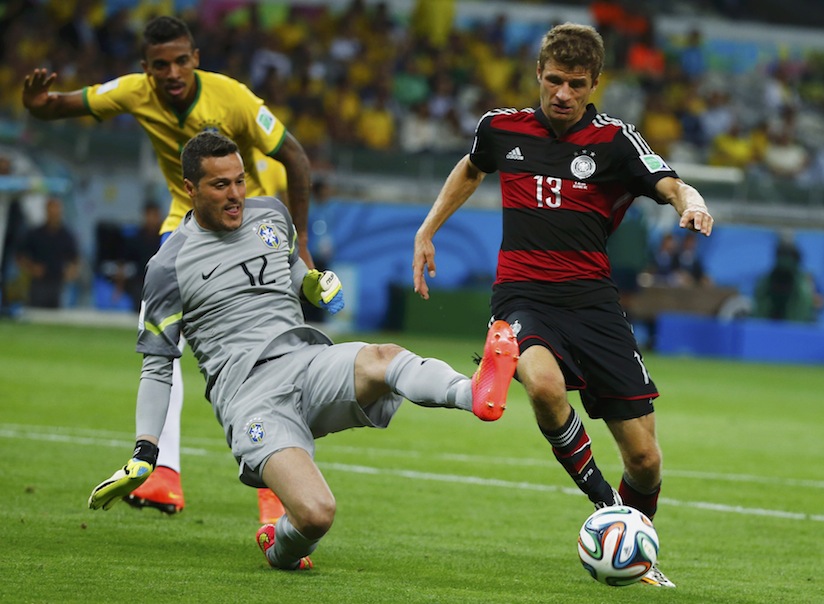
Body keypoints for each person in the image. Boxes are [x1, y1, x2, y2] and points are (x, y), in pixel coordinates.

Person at [87, 131, 519, 571]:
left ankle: (475, 393)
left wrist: (314, 283)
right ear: (189, 189)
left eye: (240, 181)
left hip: (306, 362)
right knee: (316, 514)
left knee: (383, 357)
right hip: (250, 399)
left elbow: (293, 270)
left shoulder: (271, 215)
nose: (235, 195)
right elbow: (158, 368)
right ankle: (280, 545)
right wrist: (145, 452)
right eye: (220, 186)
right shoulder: (166, 268)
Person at [412, 23, 715, 589]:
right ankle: (607, 510)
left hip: (594, 304)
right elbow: (472, 168)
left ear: (595, 83)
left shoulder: (615, 141)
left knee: (646, 460)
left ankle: (630, 542)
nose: (563, 94)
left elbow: (671, 183)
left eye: (576, 84)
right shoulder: (501, 128)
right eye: (554, 81)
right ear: (538, 75)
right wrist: (427, 230)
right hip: (523, 297)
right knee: (546, 387)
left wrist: (691, 202)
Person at [22, 15, 314, 522]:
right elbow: (62, 105)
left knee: (271, 348)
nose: (173, 72)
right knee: (159, 340)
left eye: (181, 60)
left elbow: (296, 157)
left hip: (251, 212)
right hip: (189, 219)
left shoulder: (233, 98)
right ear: (146, 69)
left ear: (196, 58)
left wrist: (301, 243)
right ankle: (164, 474)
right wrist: (39, 106)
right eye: (161, 65)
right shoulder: (135, 92)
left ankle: (278, 489)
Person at [16, 196, 80, 309]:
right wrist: (31, 268)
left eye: (56, 211)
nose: (54, 214)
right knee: (35, 313)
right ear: (46, 211)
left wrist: (70, 272)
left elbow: (75, 259)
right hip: (38, 283)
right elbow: (20, 256)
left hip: (58, 283)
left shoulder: (67, 236)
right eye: (51, 211)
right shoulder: (35, 234)